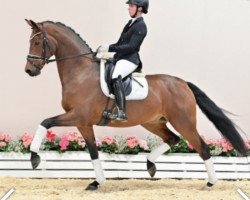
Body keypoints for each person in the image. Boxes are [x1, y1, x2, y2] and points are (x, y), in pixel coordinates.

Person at [98, 0, 149, 121]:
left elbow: (131, 47)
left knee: (116, 76)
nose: (129, 8)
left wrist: (110, 48)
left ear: (140, 8)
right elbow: (119, 43)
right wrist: (105, 49)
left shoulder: (141, 26)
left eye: (131, 6)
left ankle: (121, 111)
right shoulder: (130, 24)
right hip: (120, 57)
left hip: (130, 59)